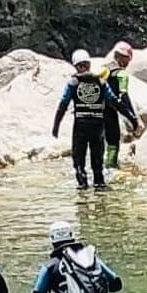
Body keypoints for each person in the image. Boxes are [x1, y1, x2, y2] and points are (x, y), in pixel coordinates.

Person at [52, 51, 135, 192]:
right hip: (97, 126)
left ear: (76, 66)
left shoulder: (73, 83)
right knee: (97, 162)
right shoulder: (101, 82)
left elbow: (63, 105)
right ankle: (100, 192)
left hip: (81, 125)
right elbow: (114, 101)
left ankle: (82, 193)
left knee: (79, 161)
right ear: (89, 64)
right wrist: (131, 118)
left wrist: (56, 126)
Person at [31, 220, 121, 293]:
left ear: (52, 239)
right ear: (71, 235)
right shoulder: (91, 259)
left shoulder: (50, 266)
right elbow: (117, 285)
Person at [102, 41, 141, 171]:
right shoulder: (122, 74)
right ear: (124, 58)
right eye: (128, 59)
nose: (128, 63)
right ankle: (110, 167)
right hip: (109, 112)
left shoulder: (104, 69)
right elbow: (123, 97)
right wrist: (133, 118)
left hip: (95, 110)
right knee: (113, 142)